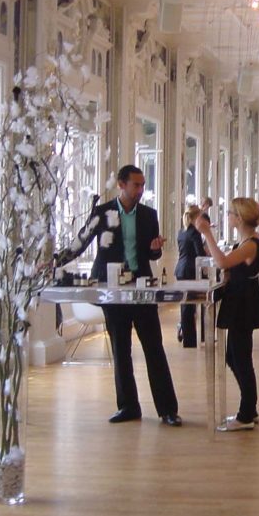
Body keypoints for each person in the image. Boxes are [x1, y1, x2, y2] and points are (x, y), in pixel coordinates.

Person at [58, 165, 181, 426]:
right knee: (120, 349)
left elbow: (152, 255)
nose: (140, 190)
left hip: (141, 287)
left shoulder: (149, 215)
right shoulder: (102, 213)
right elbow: (81, 242)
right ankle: (128, 406)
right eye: (136, 185)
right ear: (121, 185)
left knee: (154, 347)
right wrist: (55, 262)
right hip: (111, 290)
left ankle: (167, 409)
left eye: (143, 185)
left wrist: (155, 249)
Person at [195, 198, 259, 431]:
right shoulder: (246, 241)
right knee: (233, 356)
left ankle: (246, 412)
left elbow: (222, 262)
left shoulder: (250, 244)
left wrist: (207, 233)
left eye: (229, 213)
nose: (227, 216)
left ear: (239, 218)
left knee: (241, 358)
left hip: (244, 304)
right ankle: (250, 408)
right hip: (241, 301)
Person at [175, 205, 207, 348]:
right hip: (191, 269)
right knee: (191, 305)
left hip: (181, 269)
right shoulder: (194, 233)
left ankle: (188, 336)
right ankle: (191, 339)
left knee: (185, 305)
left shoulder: (181, 232)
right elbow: (199, 253)